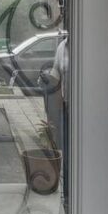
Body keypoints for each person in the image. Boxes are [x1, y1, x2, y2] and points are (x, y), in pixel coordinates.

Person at [39, 33, 69, 204]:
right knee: (67, 152)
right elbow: (56, 77)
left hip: (86, 111)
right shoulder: (62, 47)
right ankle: (68, 196)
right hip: (67, 108)